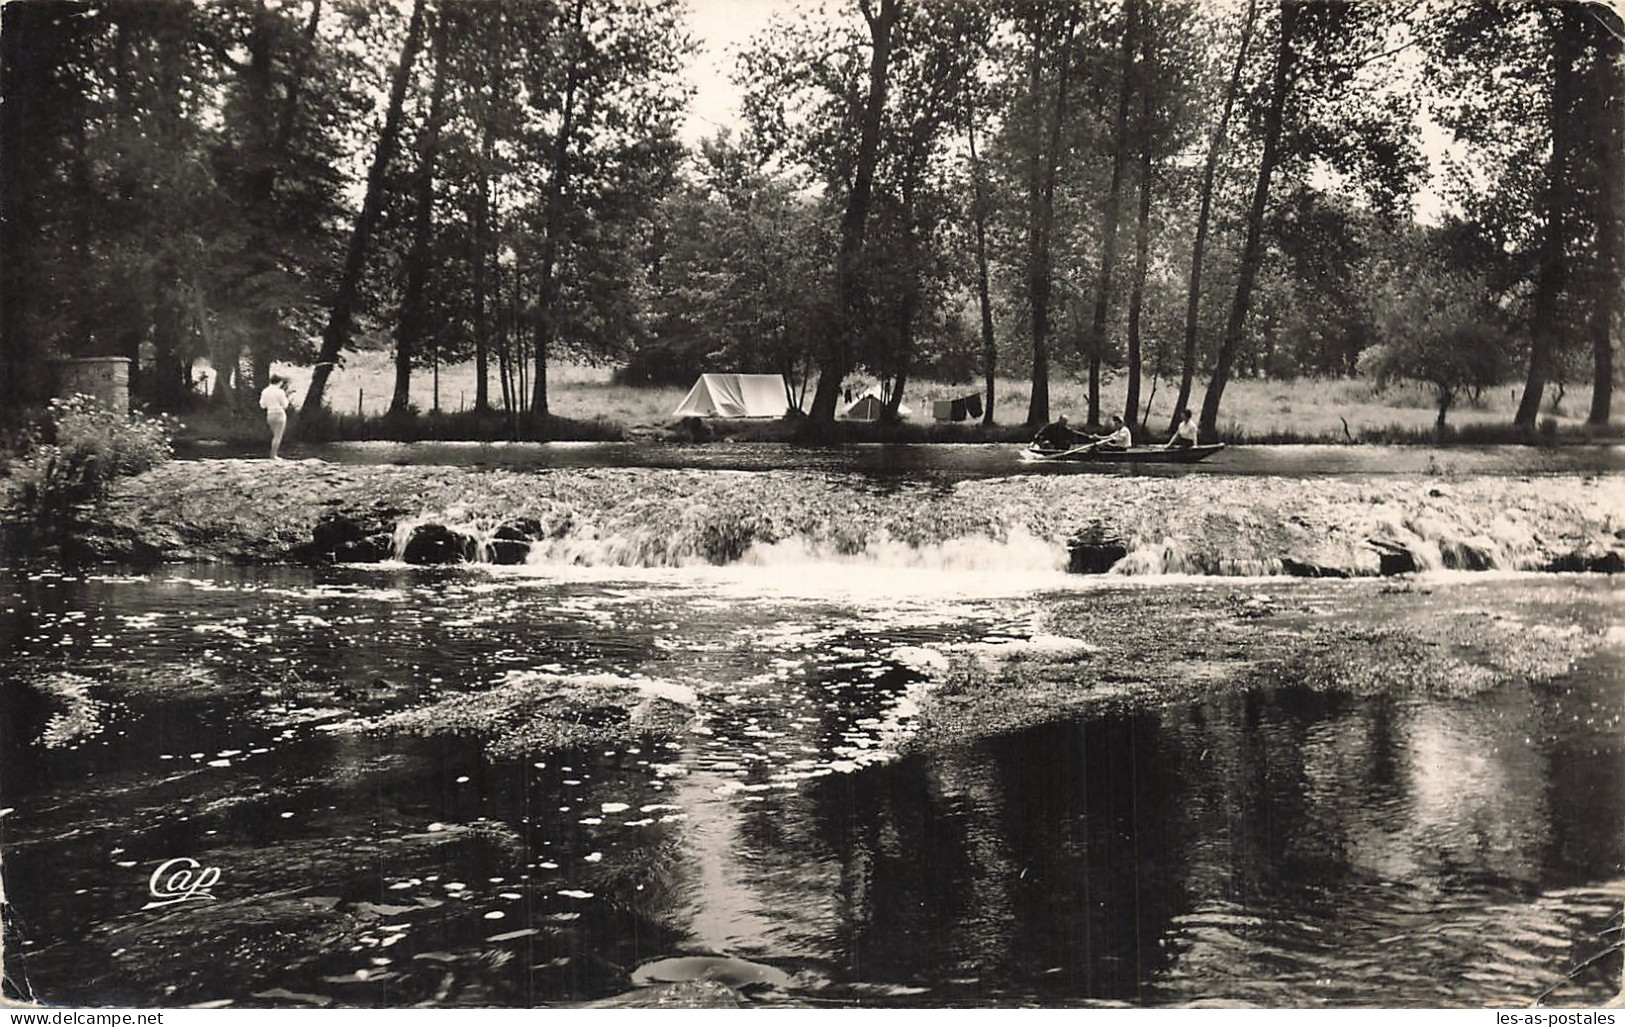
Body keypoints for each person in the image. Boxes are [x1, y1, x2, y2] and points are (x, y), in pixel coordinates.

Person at [259, 375, 292, 460]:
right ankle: (273, 455)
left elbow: (262, 405)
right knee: (278, 436)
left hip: (270, 414)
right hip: (279, 413)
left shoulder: (265, 391)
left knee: (274, 435)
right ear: (279, 382)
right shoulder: (280, 391)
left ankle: (273, 454)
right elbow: (285, 405)